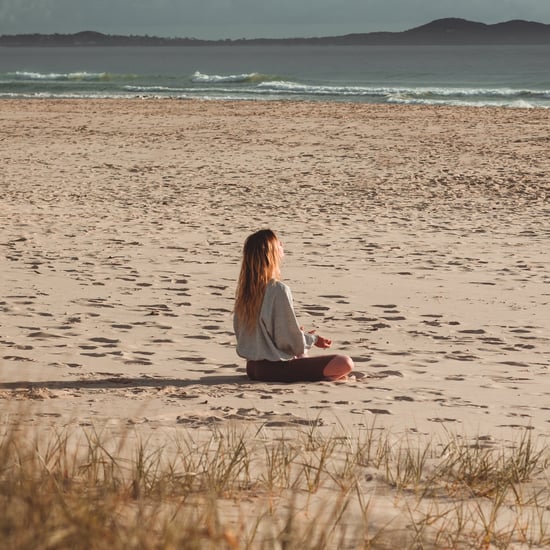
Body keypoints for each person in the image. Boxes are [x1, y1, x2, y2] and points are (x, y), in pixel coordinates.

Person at [233, 229, 354, 382]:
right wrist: (313, 339)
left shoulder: (245, 292)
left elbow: (248, 335)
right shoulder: (278, 289)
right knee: (344, 363)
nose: (282, 246)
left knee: (303, 354)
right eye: (279, 244)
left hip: (252, 367)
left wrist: (299, 334)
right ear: (271, 254)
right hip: (274, 368)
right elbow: (289, 342)